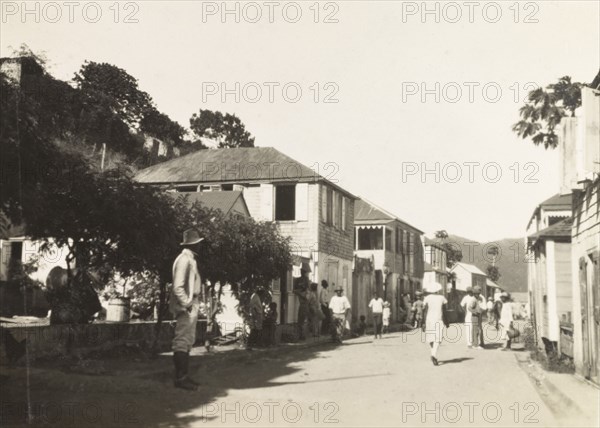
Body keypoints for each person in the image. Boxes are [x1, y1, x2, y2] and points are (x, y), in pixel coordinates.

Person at [170, 228, 204, 390]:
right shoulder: (184, 260)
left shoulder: (190, 259)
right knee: (182, 341)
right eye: (197, 244)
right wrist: (187, 304)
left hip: (192, 303)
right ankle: (180, 378)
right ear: (192, 245)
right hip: (187, 306)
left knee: (188, 340)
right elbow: (178, 287)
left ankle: (184, 375)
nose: (200, 247)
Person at [422, 282, 449, 366]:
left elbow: (425, 311)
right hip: (439, 320)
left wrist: (423, 323)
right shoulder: (442, 298)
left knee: (431, 338)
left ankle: (432, 354)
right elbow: (444, 311)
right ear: (438, 290)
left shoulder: (427, 298)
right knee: (438, 339)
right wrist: (447, 321)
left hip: (429, 320)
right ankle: (433, 355)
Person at [294, 267, 310, 341]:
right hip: (302, 305)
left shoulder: (306, 292)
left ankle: (302, 335)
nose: (302, 273)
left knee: (302, 321)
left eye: (303, 272)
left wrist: (299, 292)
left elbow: (305, 296)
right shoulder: (298, 280)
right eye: (301, 272)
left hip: (304, 306)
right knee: (301, 321)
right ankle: (301, 335)